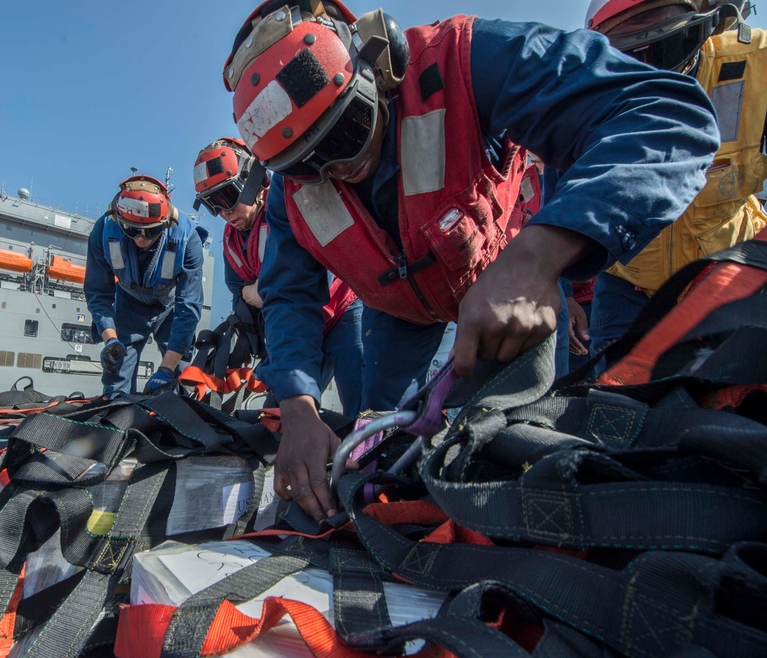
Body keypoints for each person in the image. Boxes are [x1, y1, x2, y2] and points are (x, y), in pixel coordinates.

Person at [223, 0, 720, 520]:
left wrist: (540, 255)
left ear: (378, 66)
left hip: (510, 282)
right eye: (309, 166)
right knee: (379, 442)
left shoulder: (465, 60)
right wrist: (299, 404)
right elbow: (289, 295)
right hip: (397, 313)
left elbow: (663, 112)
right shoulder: (290, 191)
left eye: (347, 135)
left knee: (534, 438)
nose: (342, 170)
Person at [582, 0, 767, 368]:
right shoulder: (586, 93)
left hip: (732, 275)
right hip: (627, 288)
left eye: (661, 49)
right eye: (629, 57)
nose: (647, 69)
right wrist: (560, 291)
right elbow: (561, 199)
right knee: (611, 399)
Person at [193, 137, 365, 417]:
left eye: (226, 197)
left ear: (254, 181)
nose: (224, 213)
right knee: (278, 417)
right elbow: (242, 297)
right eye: (213, 205)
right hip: (292, 326)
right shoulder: (231, 242)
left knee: (363, 409)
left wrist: (262, 290)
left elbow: (316, 272)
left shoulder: (294, 202)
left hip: (342, 312)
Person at [84, 174, 205, 398]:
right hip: (128, 304)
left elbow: (189, 305)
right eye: (132, 231)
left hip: (170, 308)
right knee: (116, 372)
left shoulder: (187, 238)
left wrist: (166, 369)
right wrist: (110, 339)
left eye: (150, 231)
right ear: (119, 221)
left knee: (179, 378)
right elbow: (98, 293)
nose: (141, 238)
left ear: (166, 223)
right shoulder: (103, 232)